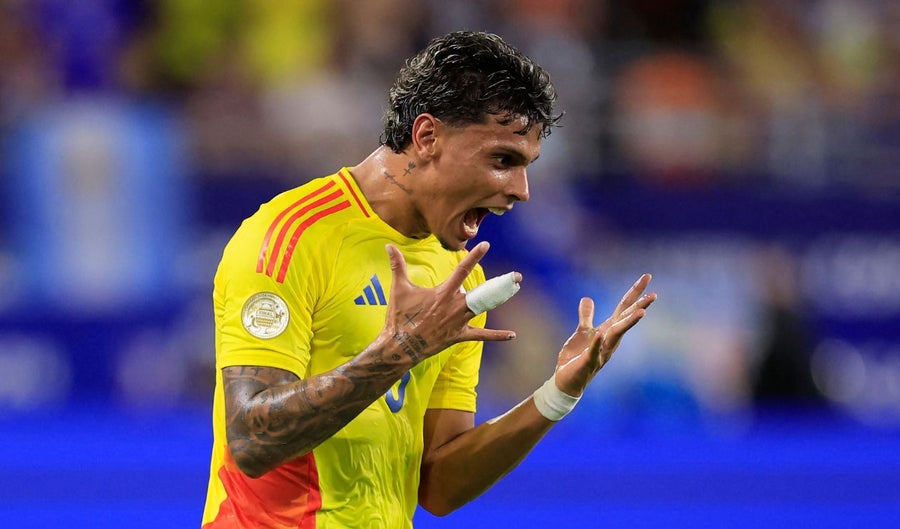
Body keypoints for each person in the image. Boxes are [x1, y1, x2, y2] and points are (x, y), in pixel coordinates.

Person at [201, 31, 656, 528]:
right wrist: (401, 351)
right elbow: (252, 439)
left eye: (526, 166)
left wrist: (556, 395)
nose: (521, 190)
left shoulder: (458, 276)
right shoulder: (290, 238)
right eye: (503, 160)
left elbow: (437, 486)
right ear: (427, 137)